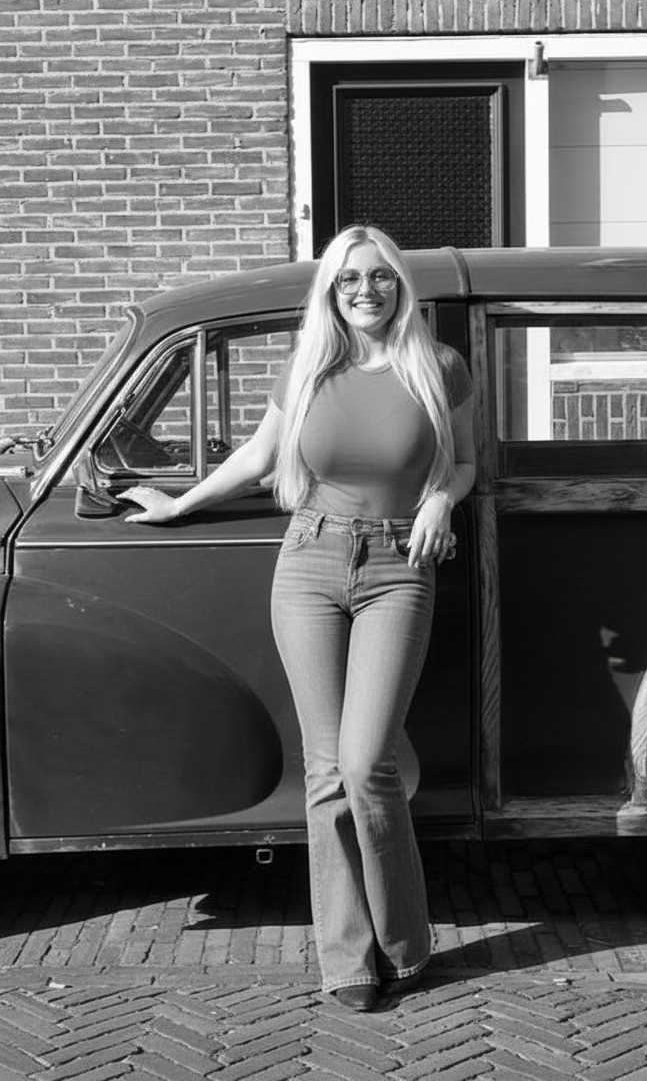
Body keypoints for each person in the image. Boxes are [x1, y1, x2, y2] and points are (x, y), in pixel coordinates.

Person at [120, 225, 475, 1012]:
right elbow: (258, 456)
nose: (365, 291)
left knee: (367, 763)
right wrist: (179, 503)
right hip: (310, 561)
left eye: (378, 277)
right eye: (349, 279)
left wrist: (441, 501)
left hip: (399, 568)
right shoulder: (309, 365)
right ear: (331, 292)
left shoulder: (439, 367)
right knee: (325, 770)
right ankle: (346, 958)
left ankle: (405, 944)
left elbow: (465, 462)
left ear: (399, 285)